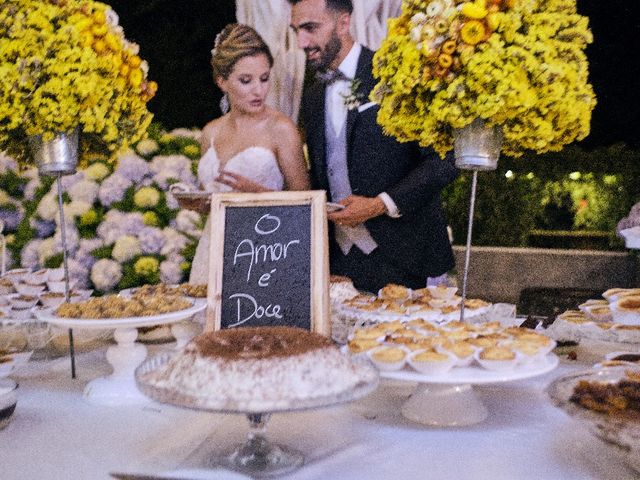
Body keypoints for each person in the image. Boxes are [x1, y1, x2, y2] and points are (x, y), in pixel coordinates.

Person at [288, 0, 458, 293]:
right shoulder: (313, 96)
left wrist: (380, 204)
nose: (302, 42)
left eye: (311, 28)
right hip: (340, 261)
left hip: (405, 256)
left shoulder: (396, 77)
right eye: (296, 31)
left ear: (344, 22)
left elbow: (444, 159)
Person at [187, 23, 311, 285]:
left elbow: (306, 207)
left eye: (264, 78)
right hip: (212, 253)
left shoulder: (282, 129)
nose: (258, 90)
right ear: (222, 81)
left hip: (265, 255)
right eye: (246, 80)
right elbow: (208, 202)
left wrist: (259, 196)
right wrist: (195, 202)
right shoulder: (210, 132)